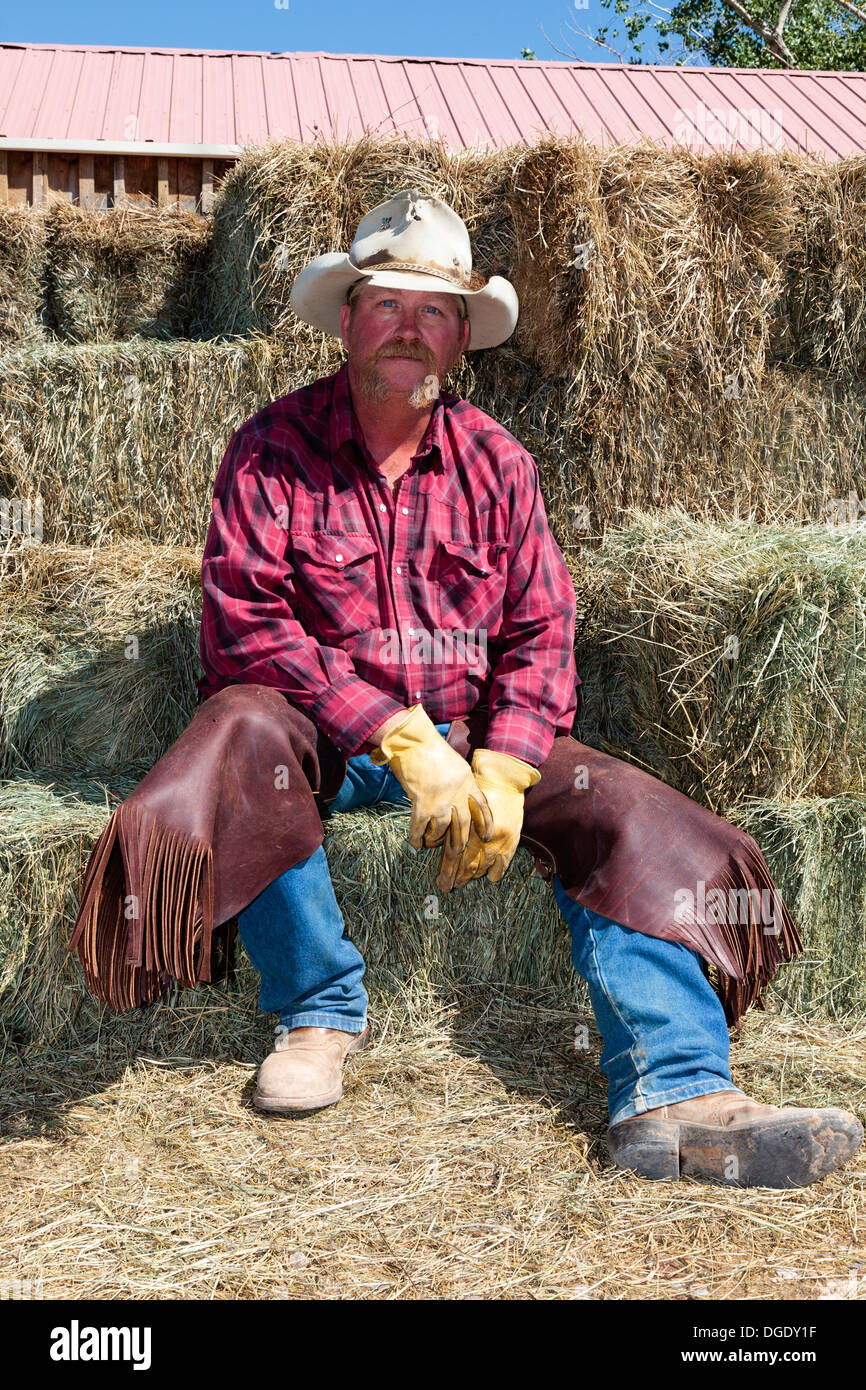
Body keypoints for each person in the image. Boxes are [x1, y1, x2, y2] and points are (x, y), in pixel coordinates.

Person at [196, 188, 862, 1188]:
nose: (407, 331)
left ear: (461, 335)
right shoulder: (271, 449)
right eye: (386, 305)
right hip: (323, 742)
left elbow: (541, 629)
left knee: (626, 811)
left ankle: (675, 1090)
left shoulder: (497, 462)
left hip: (474, 734)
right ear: (345, 318)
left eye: (433, 312)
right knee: (236, 734)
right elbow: (247, 624)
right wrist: (396, 738)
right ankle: (317, 1013)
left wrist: (502, 763)